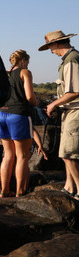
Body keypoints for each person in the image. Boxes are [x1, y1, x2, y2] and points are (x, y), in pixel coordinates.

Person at [39, 30, 79, 201]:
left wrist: (54, 103)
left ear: (56, 43)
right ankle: (69, 186)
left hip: (75, 110)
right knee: (66, 152)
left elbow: (74, 91)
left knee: (68, 153)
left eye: (50, 46)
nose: (50, 51)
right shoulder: (70, 59)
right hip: (69, 111)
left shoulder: (71, 60)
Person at [0, 50, 38, 197]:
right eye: (27, 62)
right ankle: (20, 192)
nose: (27, 64)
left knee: (8, 155)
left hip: (2, 115)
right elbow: (29, 97)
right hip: (19, 115)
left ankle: (4, 190)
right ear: (23, 61)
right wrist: (36, 102)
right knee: (22, 156)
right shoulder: (25, 72)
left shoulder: (3, 74)